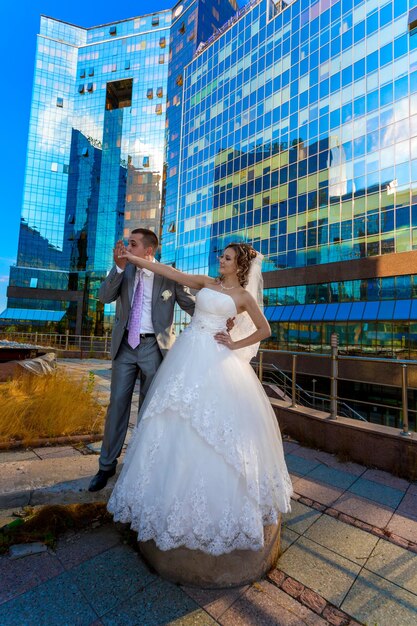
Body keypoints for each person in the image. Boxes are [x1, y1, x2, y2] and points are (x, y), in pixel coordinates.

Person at [107, 242, 292, 555]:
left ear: (240, 266)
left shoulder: (243, 297)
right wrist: (134, 259)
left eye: (227, 258)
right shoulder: (207, 283)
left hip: (219, 359)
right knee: (173, 417)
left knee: (215, 425)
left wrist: (234, 344)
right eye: (221, 256)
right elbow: (169, 271)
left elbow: (264, 329)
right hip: (188, 353)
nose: (221, 260)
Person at [88, 228, 195, 492]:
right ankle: (106, 466)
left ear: (148, 250)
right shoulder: (124, 270)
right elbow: (103, 297)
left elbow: (189, 303)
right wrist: (118, 267)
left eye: (132, 245)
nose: (126, 248)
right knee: (117, 405)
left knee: (150, 411)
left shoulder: (169, 273)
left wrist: (218, 316)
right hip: (125, 346)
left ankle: (143, 464)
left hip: (154, 347)